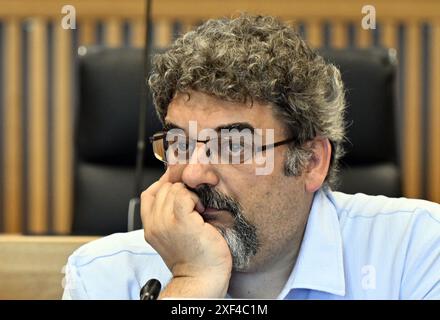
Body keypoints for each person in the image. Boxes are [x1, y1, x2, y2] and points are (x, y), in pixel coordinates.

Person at [62, 14, 440, 300]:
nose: (194, 173)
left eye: (233, 145)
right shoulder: (105, 276)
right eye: (180, 142)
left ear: (310, 162)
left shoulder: (414, 251)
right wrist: (191, 283)